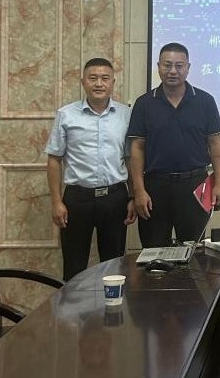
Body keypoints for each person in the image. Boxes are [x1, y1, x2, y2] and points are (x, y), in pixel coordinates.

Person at [128, 42, 220, 248]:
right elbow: (137, 149)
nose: (173, 71)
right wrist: (139, 191)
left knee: (194, 253)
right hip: (155, 186)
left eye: (179, 65)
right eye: (167, 65)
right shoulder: (144, 103)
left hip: (194, 186)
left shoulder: (205, 101)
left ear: (188, 68)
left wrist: (219, 184)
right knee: (153, 253)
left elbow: (215, 146)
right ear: (158, 67)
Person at [46, 58, 135, 281]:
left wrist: (132, 196)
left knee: (114, 267)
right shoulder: (66, 114)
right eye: (93, 78)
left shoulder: (126, 114)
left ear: (113, 82)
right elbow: (54, 159)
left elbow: (130, 158)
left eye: (105, 78)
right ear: (83, 82)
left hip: (115, 198)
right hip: (77, 199)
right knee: (74, 267)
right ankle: (73, 305)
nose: (99, 83)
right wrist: (56, 202)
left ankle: (112, 305)